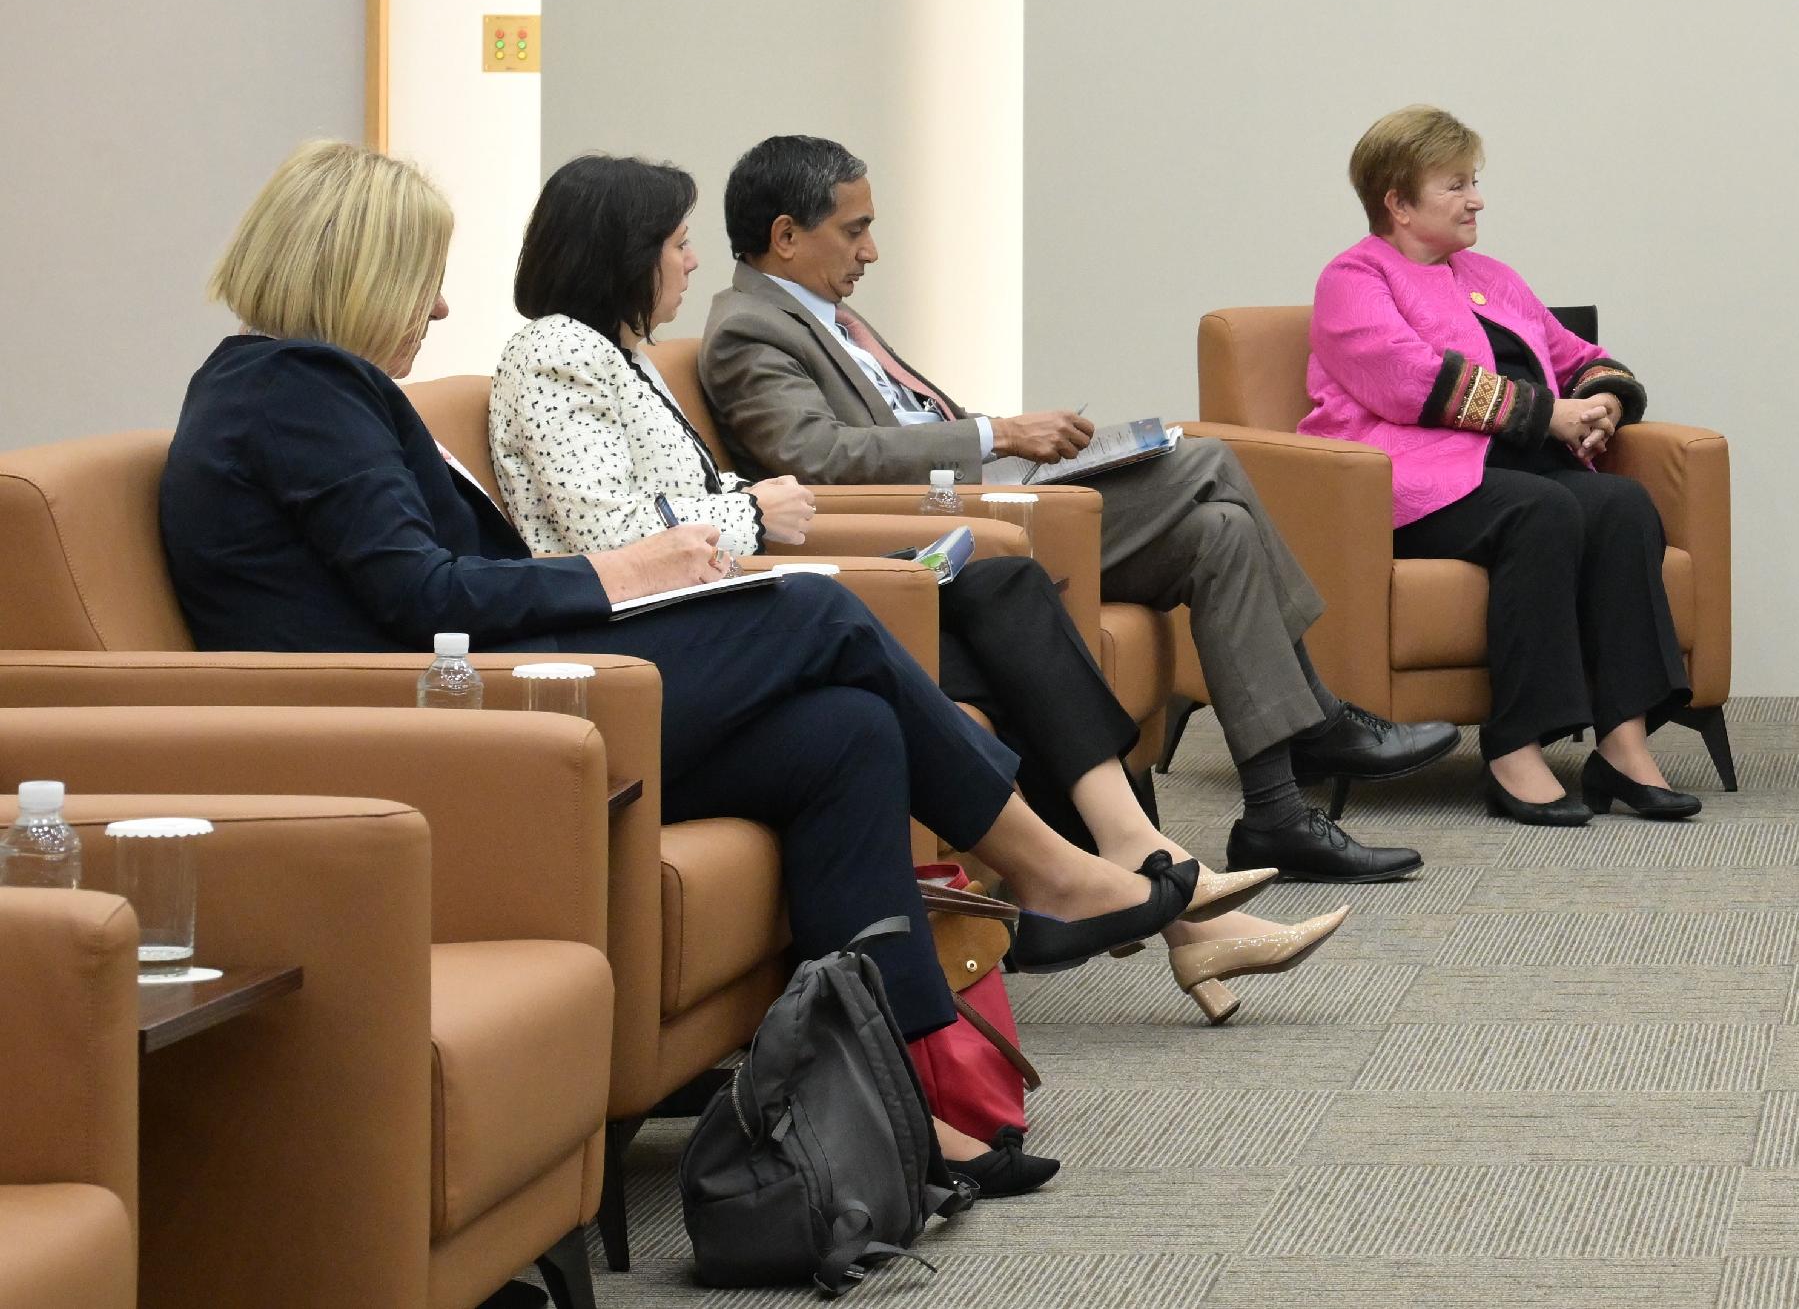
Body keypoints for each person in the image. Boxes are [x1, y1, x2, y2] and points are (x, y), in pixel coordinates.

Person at [158, 142, 1200, 1199]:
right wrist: (623, 568)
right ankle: (1047, 869)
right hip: (446, 729)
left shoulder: (286, 388)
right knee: (819, 614)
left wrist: (633, 573)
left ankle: (903, 1099)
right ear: (357, 273)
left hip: (481, 701)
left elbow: (429, 582)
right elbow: (426, 594)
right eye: (422, 279)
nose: (435, 310)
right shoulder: (298, 389)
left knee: (846, 734)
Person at [489, 153, 1344, 1025]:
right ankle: (1129, 870)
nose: (693, 260)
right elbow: (612, 535)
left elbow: (678, 504)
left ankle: (1141, 867)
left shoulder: (620, 354)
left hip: (720, 590)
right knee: (1126, 517)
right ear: (621, 252)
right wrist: (749, 511)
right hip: (676, 624)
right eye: (676, 243)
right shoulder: (561, 350)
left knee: (1008, 584)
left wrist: (740, 510)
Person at [696, 133, 1452, 883]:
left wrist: (1015, 441)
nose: (872, 252)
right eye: (855, 229)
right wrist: (1000, 433)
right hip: (947, 524)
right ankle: (1319, 715)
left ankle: (1276, 814)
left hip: (989, 488)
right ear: (786, 236)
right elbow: (819, 461)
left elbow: (909, 424)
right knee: (1209, 458)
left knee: (1218, 530)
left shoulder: (827, 314)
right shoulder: (748, 329)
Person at [1302, 105, 1696, 827]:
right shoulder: (1352, 279)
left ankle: (1623, 740)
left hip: (1516, 470)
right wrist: (1548, 415)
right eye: (1455, 184)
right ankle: (1515, 741)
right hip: (1409, 485)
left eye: (1473, 180)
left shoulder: (1489, 275)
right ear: (1397, 200)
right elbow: (1406, 376)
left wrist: (1604, 399)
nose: (1476, 197)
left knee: (1623, 506)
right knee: (1544, 511)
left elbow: (1579, 356)